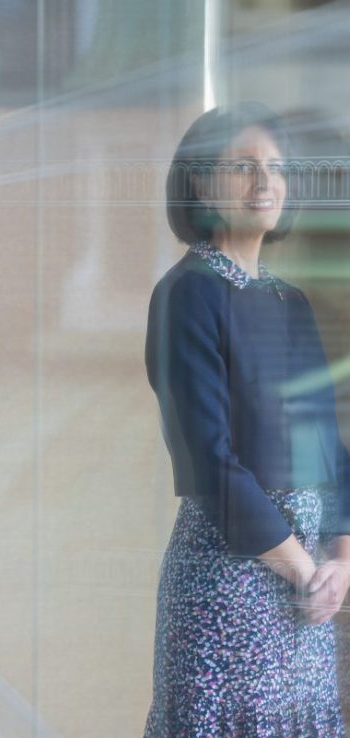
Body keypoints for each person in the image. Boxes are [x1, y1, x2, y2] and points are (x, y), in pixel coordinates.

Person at [142, 101, 350, 736]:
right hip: (227, 588)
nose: (266, 183)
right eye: (244, 166)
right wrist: (303, 568)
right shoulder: (188, 293)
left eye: (277, 168)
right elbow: (208, 459)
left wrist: (342, 556)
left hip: (307, 595)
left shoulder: (290, 302)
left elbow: (328, 450)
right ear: (203, 182)